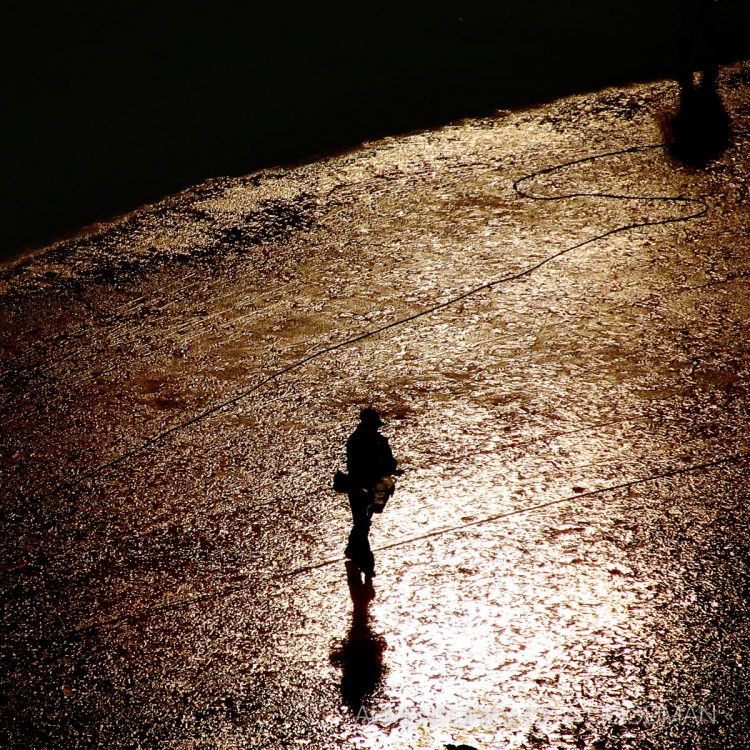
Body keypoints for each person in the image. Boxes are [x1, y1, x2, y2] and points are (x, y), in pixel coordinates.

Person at [343, 408, 398, 581]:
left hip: (360, 486)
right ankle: (366, 561)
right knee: (363, 521)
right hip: (366, 486)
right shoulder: (377, 441)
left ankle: (353, 550)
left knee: (362, 520)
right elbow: (389, 463)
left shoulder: (355, 440)